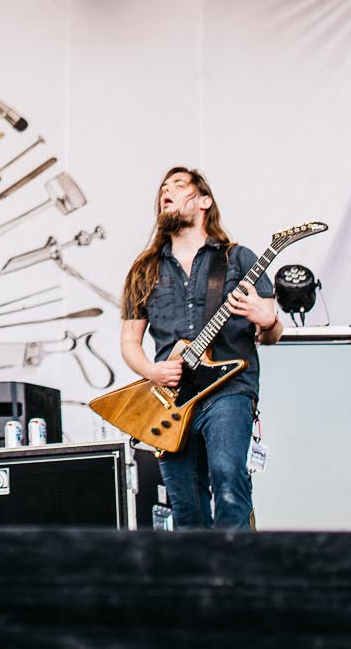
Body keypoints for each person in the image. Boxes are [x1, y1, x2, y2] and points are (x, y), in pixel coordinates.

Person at [118, 167, 281, 530]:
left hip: (229, 390)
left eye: (178, 186)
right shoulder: (143, 270)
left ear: (204, 201)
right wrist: (152, 370)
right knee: (186, 506)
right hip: (171, 399)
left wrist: (267, 321)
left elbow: (271, 332)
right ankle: (201, 582)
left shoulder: (237, 259)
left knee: (227, 477)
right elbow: (130, 342)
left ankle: (234, 576)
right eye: (163, 189)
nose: (167, 192)